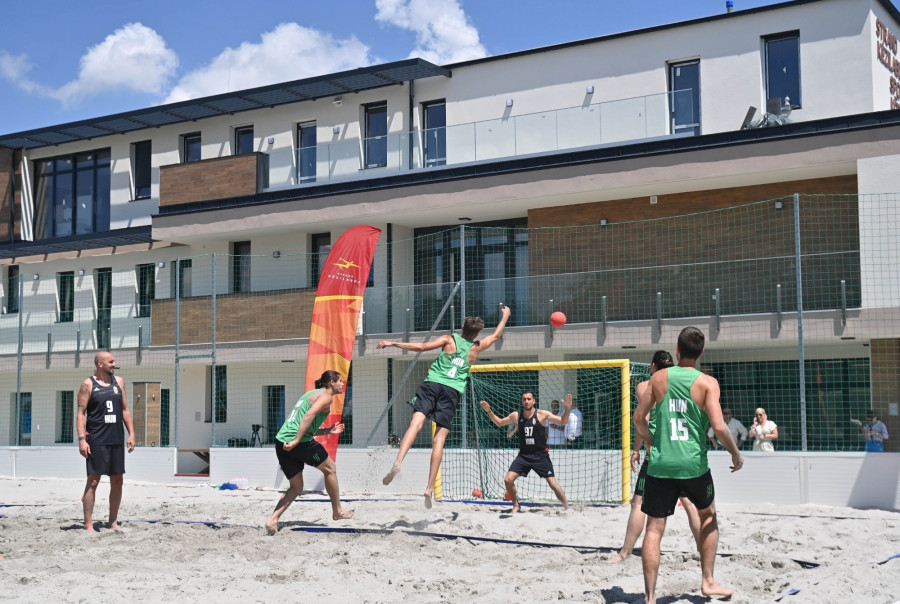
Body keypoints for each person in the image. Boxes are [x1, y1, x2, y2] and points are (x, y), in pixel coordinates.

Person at [634, 327, 744, 603]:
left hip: (660, 464)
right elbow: (719, 427)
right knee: (707, 516)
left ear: (678, 350)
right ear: (701, 352)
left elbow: (638, 419)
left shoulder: (658, 378)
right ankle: (708, 581)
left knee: (655, 528)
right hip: (694, 465)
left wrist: (651, 441)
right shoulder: (708, 382)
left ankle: (649, 596)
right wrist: (735, 454)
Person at [379, 306, 511, 508]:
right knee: (439, 439)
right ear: (476, 333)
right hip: (452, 391)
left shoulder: (449, 339)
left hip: (432, 384)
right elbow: (496, 336)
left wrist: (393, 342)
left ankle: (398, 462)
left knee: (416, 423)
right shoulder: (476, 346)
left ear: (461, 328)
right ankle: (429, 488)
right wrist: (505, 317)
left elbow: (422, 348)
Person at [607, 350, 701, 564]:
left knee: (639, 503)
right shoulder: (686, 385)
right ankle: (702, 550)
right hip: (685, 451)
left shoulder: (645, 386)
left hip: (658, 452)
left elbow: (643, 420)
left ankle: (625, 552)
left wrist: (637, 449)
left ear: (652, 367)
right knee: (689, 503)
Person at [266, 370, 353, 534]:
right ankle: (338, 511)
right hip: (297, 443)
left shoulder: (312, 394)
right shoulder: (326, 397)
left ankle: (272, 520)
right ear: (332, 382)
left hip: (281, 440)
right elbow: (308, 417)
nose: (343, 384)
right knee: (330, 468)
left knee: (296, 488)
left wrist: (327, 431)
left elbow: (306, 426)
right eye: (340, 381)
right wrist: (297, 440)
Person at [479, 392, 572, 512]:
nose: (526, 401)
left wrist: (567, 408)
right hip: (524, 455)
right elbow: (500, 422)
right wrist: (489, 411)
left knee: (553, 483)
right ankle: (516, 505)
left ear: (534, 401)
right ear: (522, 401)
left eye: (529, 399)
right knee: (508, 480)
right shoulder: (516, 415)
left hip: (540, 455)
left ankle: (567, 507)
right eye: (524, 399)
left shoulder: (542, 414)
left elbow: (563, 421)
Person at [76, 351, 136, 532]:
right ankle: (88, 525)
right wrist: (81, 440)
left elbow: (125, 410)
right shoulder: (88, 384)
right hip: (96, 439)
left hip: (116, 438)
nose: (114, 364)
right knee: (93, 481)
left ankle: (113, 522)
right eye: (111, 361)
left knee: (118, 481)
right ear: (100, 364)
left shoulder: (119, 382)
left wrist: (131, 433)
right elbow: (80, 414)